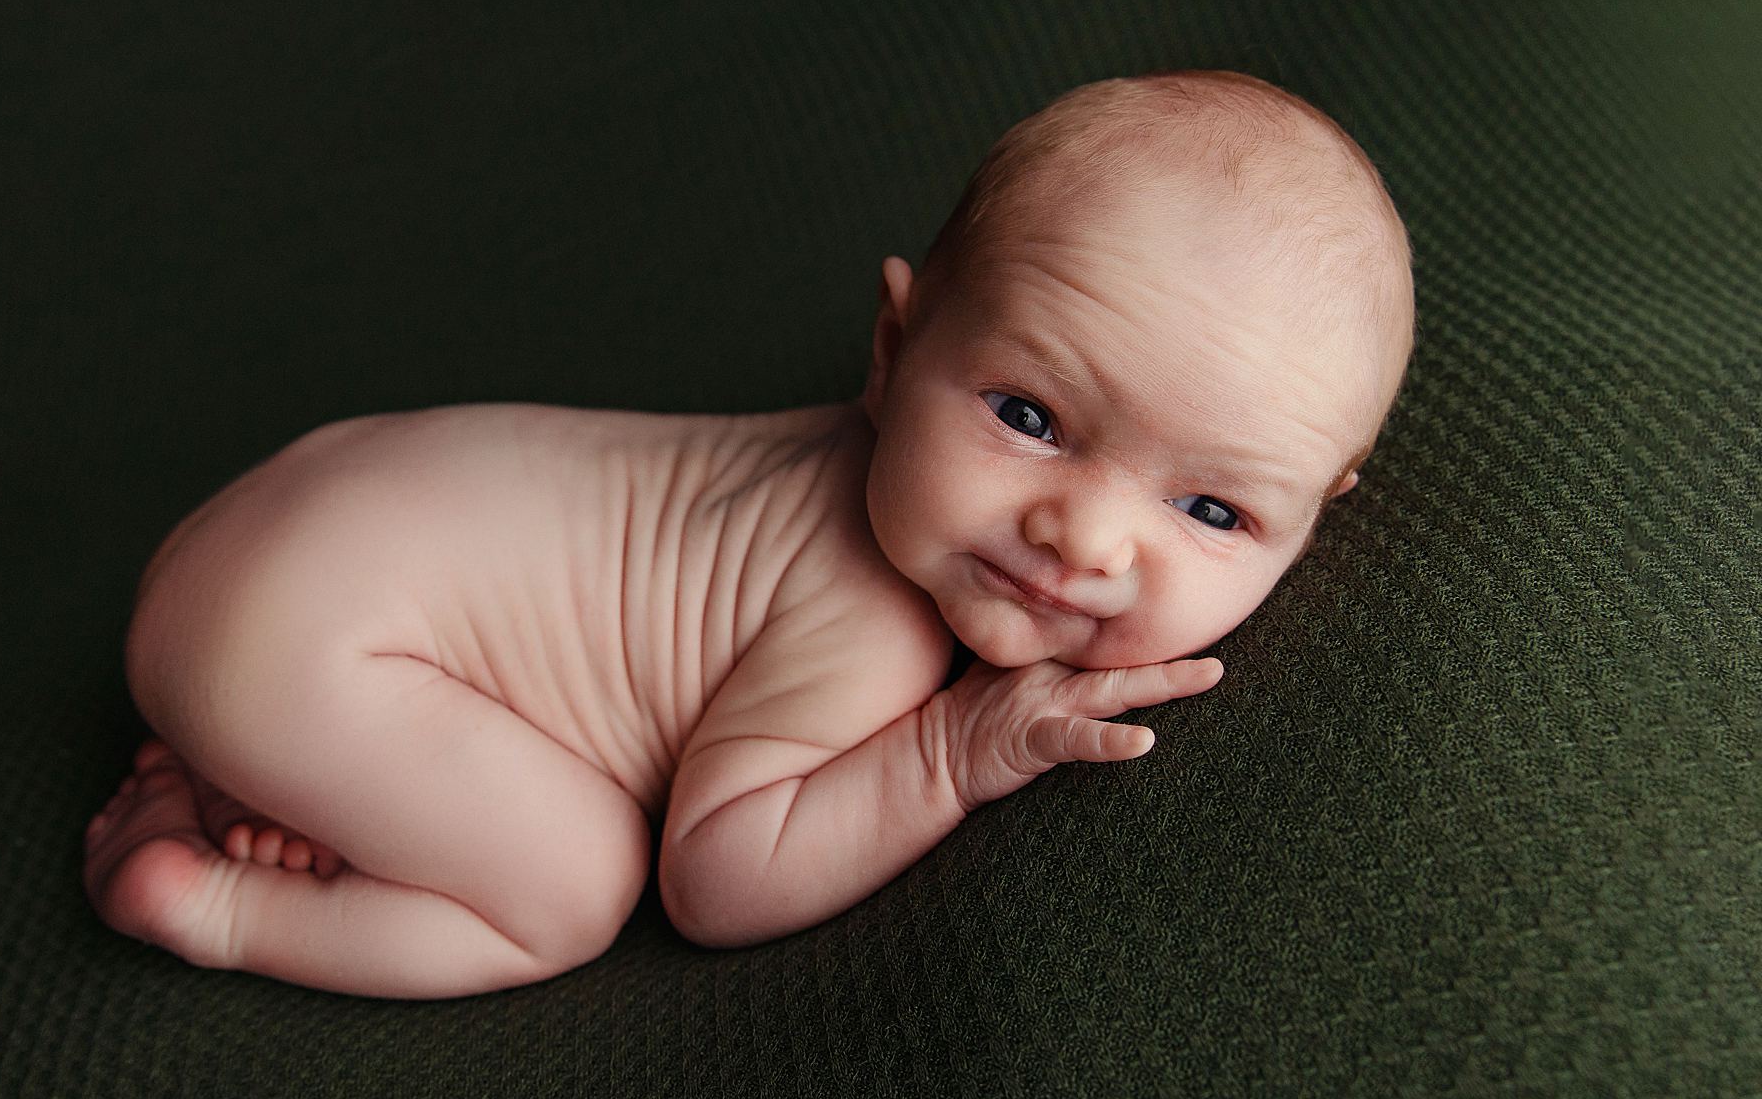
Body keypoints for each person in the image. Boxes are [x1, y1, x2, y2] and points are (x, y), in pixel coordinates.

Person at [82, 69, 1416, 998]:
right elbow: (716, 879)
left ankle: (256, 768)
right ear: (892, 351)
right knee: (572, 884)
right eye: (1027, 413)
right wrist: (952, 753)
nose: (1085, 536)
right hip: (313, 635)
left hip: (279, 536)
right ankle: (205, 900)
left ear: (1311, 521)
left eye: (1211, 509)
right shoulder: (875, 616)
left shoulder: (873, 464)